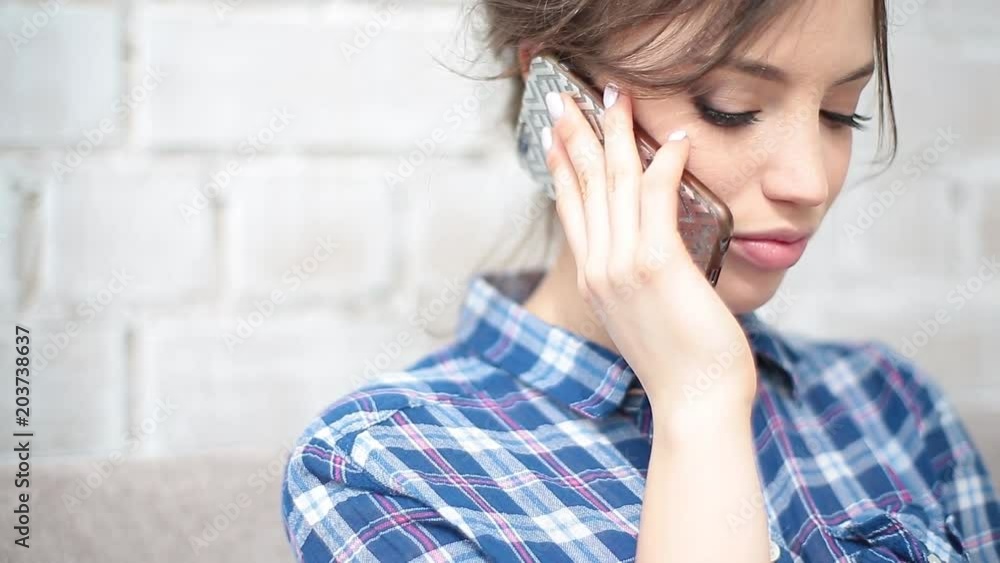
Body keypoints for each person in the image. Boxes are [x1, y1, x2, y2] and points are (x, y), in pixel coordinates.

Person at [281, 1, 1000, 561]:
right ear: (560, 99)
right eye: (731, 108)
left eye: (841, 113)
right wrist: (699, 410)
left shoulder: (893, 407)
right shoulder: (379, 469)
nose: (809, 180)